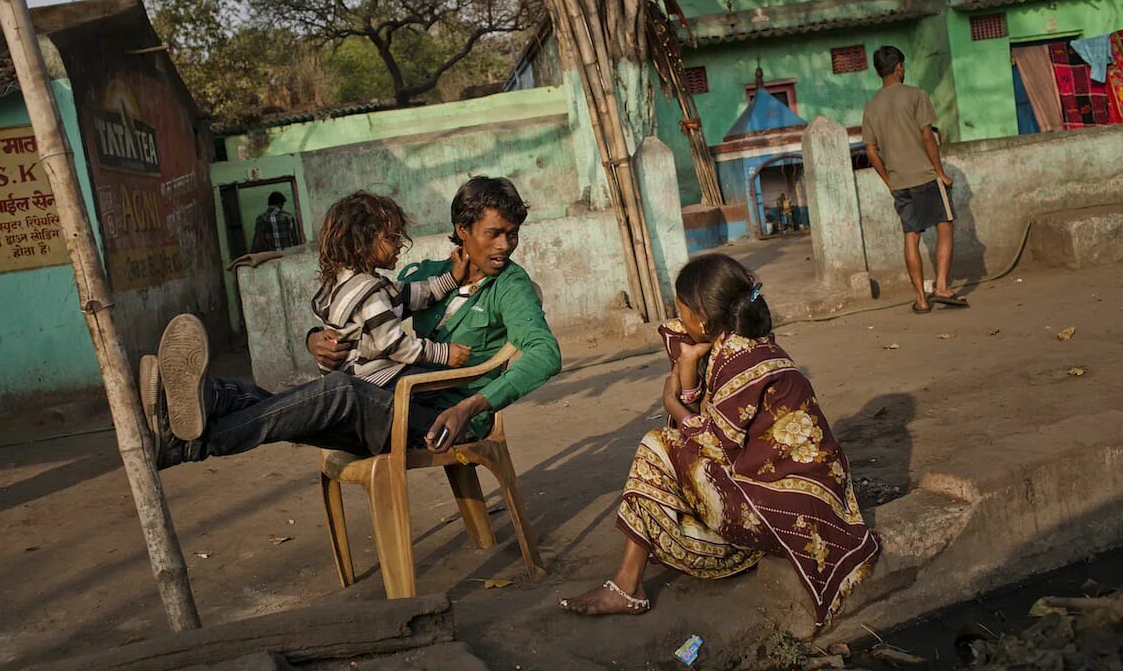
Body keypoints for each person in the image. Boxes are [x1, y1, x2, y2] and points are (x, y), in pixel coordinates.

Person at [140, 176, 561, 467]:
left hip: (441, 424)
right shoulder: (425, 276)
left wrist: (473, 405)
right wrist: (315, 340)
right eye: (495, 233)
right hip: (394, 408)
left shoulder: (511, 286)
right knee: (306, 401)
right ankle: (207, 398)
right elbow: (365, 312)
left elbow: (545, 354)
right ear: (462, 230)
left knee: (336, 392)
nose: (507, 245)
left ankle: (190, 443)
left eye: (513, 233)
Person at [558, 254, 878, 631]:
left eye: (681, 311)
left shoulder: (740, 360)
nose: (677, 320)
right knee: (673, 445)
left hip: (778, 507)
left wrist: (673, 404)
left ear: (703, 320)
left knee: (655, 446)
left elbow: (709, 441)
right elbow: (713, 418)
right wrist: (689, 369)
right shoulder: (742, 344)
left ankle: (628, 586)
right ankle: (631, 579)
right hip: (794, 495)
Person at [310, 190, 472, 386]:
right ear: (365, 240)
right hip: (369, 381)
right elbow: (394, 344)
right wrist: (442, 353)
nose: (399, 245)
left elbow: (413, 294)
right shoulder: (369, 294)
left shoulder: (349, 282)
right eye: (392, 237)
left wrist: (453, 278)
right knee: (435, 381)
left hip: (350, 380)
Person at [862, 46, 969, 314]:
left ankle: (921, 299)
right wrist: (940, 172)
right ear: (899, 67)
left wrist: (889, 180)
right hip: (925, 176)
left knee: (911, 236)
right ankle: (942, 286)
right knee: (945, 225)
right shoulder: (916, 95)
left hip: (900, 182)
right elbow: (927, 137)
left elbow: (871, 152)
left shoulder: (871, 107)